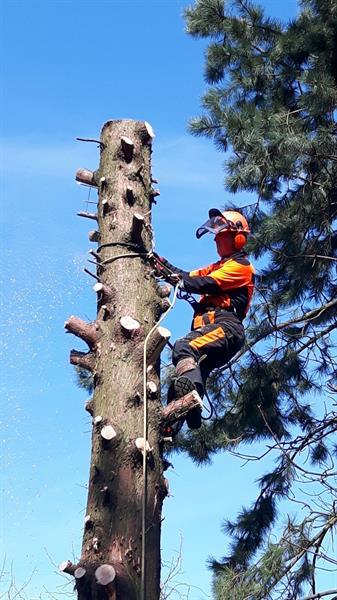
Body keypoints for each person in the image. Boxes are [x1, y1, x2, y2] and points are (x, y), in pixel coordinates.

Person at [153, 208, 255, 430]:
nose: (217, 241)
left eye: (223, 236)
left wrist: (173, 277)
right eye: (216, 237)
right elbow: (188, 276)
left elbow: (203, 284)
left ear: (237, 238)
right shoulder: (218, 266)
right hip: (214, 330)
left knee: (184, 347)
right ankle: (170, 426)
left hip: (226, 328)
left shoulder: (241, 267)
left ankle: (192, 401)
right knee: (182, 380)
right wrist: (159, 262)